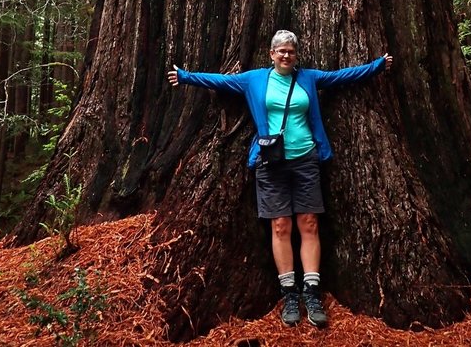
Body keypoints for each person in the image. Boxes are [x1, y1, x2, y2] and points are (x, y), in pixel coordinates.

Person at [167, 30, 393, 328]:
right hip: (271, 163)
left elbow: (342, 77)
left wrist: (376, 66)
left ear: (295, 55)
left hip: (306, 160)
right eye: (281, 51)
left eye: (290, 51)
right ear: (271, 54)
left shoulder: (309, 78)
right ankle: (289, 293)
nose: (286, 55)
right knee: (280, 225)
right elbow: (219, 81)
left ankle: (311, 292)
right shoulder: (254, 80)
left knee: (309, 223)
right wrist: (185, 76)